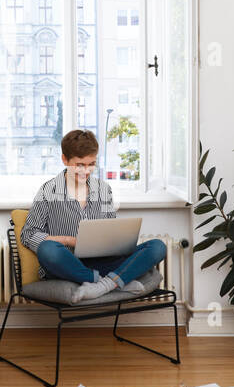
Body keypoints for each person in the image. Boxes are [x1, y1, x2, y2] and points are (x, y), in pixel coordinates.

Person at [20, 129, 166, 301]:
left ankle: (102, 285)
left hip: (106, 261)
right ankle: (113, 281)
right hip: (69, 264)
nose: (86, 171)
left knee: (157, 246)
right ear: (65, 160)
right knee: (48, 250)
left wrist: (116, 241)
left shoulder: (104, 190)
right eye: (79, 165)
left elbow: (110, 229)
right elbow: (28, 234)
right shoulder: (47, 191)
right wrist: (68, 240)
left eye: (91, 164)